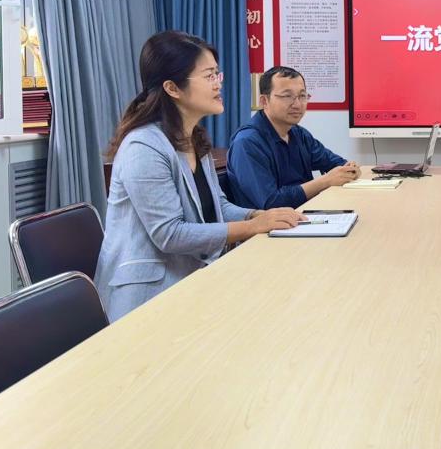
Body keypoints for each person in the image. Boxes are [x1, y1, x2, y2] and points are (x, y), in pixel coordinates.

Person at [95, 32, 303, 321]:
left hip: (192, 279)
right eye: (208, 76)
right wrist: (253, 227)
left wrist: (258, 215)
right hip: (147, 299)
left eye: (218, 74)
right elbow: (170, 234)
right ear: (172, 88)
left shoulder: (192, 138)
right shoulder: (143, 146)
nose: (218, 83)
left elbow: (219, 206)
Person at [228, 66, 359, 210]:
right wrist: (325, 181)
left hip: (305, 214)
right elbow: (271, 202)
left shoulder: (298, 134)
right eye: (287, 96)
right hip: (272, 222)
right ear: (264, 101)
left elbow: (335, 163)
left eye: (302, 96)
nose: (297, 104)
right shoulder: (247, 142)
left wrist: (349, 168)